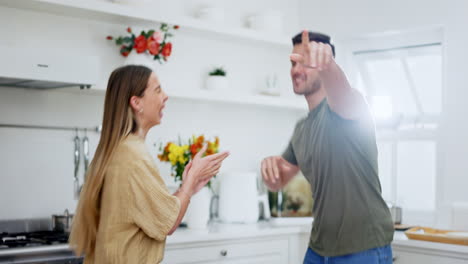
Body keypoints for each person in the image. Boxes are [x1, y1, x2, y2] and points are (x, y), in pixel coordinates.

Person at [69, 65, 229, 264]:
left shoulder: (119, 149)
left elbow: (153, 212)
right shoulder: (133, 156)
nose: (166, 96)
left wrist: (187, 185)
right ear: (137, 102)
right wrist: (191, 181)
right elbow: (167, 222)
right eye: (158, 89)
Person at [261, 30, 394, 264]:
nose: (295, 70)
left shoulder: (350, 107)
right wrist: (269, 168)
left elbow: (340, 90)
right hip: (320, 247)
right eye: (293, 63)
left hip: (363, 245)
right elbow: (278, 180)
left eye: (305, 62)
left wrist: (328, 66)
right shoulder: (302, 128)